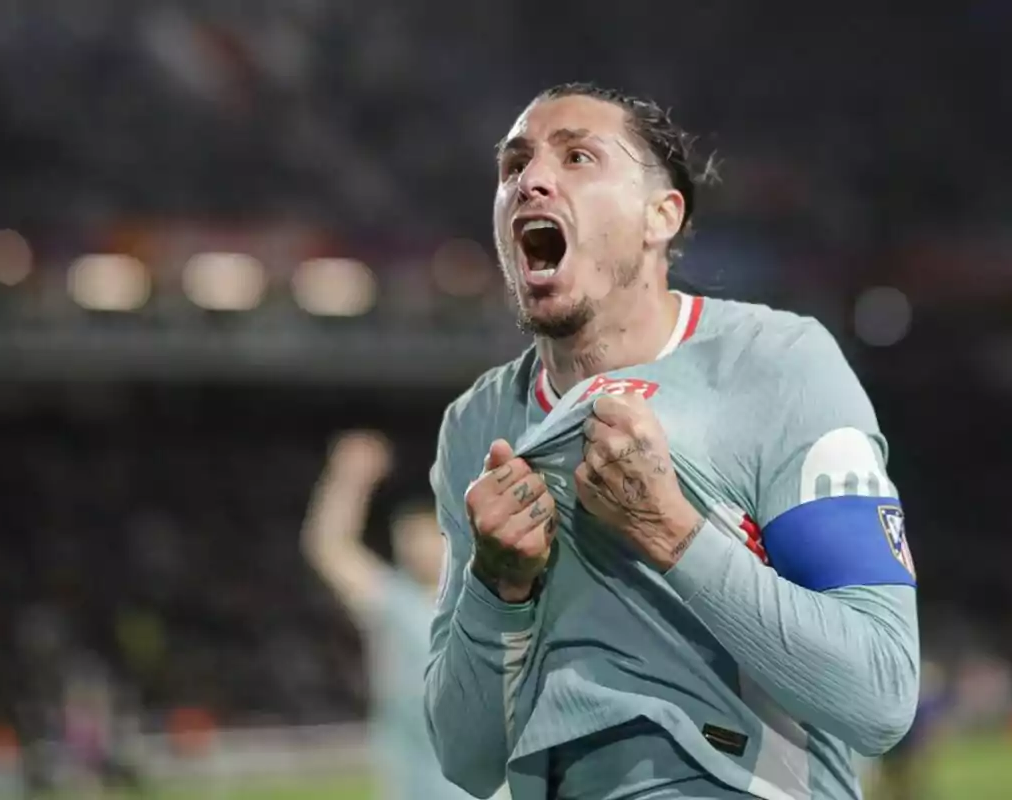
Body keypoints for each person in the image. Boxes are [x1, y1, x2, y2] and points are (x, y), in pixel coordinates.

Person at [425, 83, 920, 800]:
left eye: (578, 156)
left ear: (662, 215)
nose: (531, 179)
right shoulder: (476, 425)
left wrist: (674, 531)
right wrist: (496, 588)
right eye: (514, 165)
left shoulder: (778, 367)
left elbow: (880, 694)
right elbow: (466, 760)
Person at [301, 430, 507, 800]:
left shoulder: (491, 597)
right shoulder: (394, 601)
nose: (420, 548)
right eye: (409, 537)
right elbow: (329, 547)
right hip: (414, 781)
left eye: (432, 535)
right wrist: (349, 480)